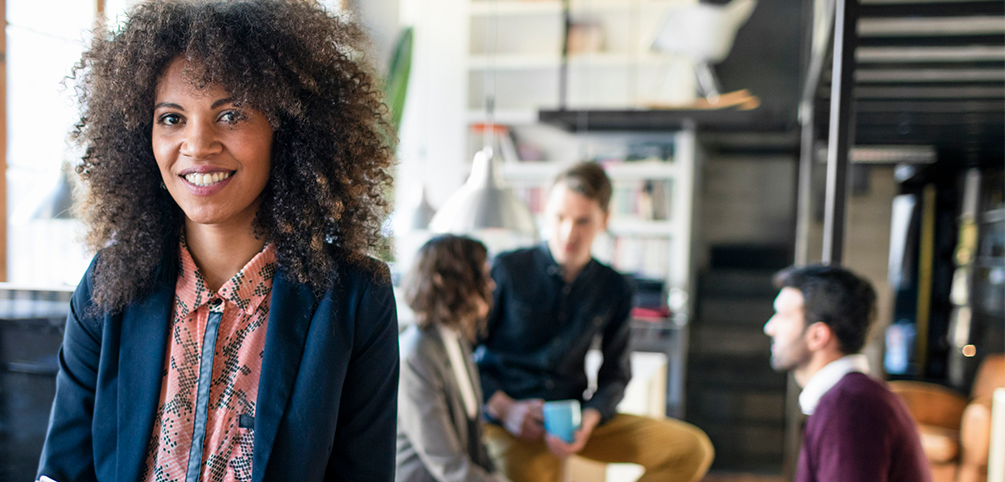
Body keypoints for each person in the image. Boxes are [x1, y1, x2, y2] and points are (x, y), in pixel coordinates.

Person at [37, 0, 399, 482]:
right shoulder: (109, 284)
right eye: (171, 118)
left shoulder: (356, 299)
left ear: (287, 129)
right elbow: (61, 471)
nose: (197, 144)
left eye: (231, 115)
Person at [476, 162, 713, 482]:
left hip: (574, 417)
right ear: (545, 212)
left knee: (690, 448)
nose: (568, 233)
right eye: (560, 217)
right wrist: (504, 408)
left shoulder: (615, 287)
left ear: (605, 220)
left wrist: (590, 418)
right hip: (508, 418)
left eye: (583, 221)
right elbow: (462, 353)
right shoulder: (506, 268)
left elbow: (616, 373)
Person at [764, 264, 930, 482]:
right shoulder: (854, 397)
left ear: (817, 336)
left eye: (783, 316)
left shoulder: (849, 406)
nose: (769, 327)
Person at [396, 235, 508, 482]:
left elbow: (475, 441)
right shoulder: (416, 355)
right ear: (452, 281)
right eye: (484, 276)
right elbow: (449, 467)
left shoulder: (456, 340)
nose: (491, 286)